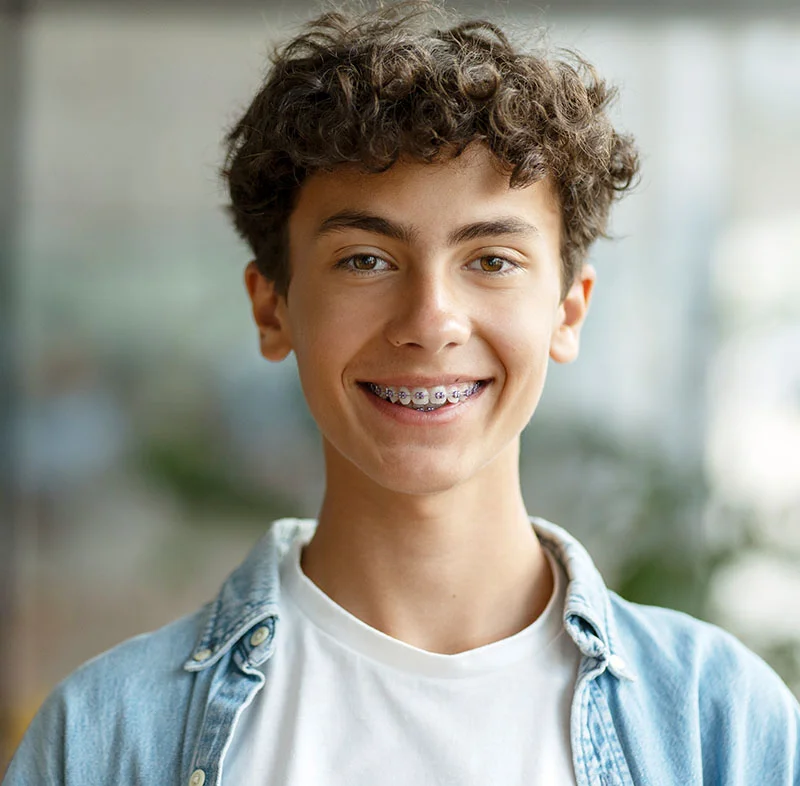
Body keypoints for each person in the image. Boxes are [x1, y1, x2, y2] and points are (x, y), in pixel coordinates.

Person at [5, 4, 799, 785]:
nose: (429, 323)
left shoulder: (717, 720)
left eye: (491, 260)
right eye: (365, 260)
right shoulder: (105, 737)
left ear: (568, 309)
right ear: (272, 306)